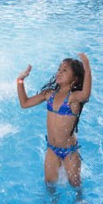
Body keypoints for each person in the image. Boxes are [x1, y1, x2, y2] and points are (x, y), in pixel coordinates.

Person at [17, 53, 92, 187]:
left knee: (75, 185)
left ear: (74, 79)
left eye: (64, 70)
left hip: (70, 151)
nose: (59, 72)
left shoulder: (73, 98)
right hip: (52, 149)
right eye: (59, 69)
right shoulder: (49, 94)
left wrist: (86, 65)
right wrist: (20, 81)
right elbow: (25, 103)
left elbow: (86, 94)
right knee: (49, 184)